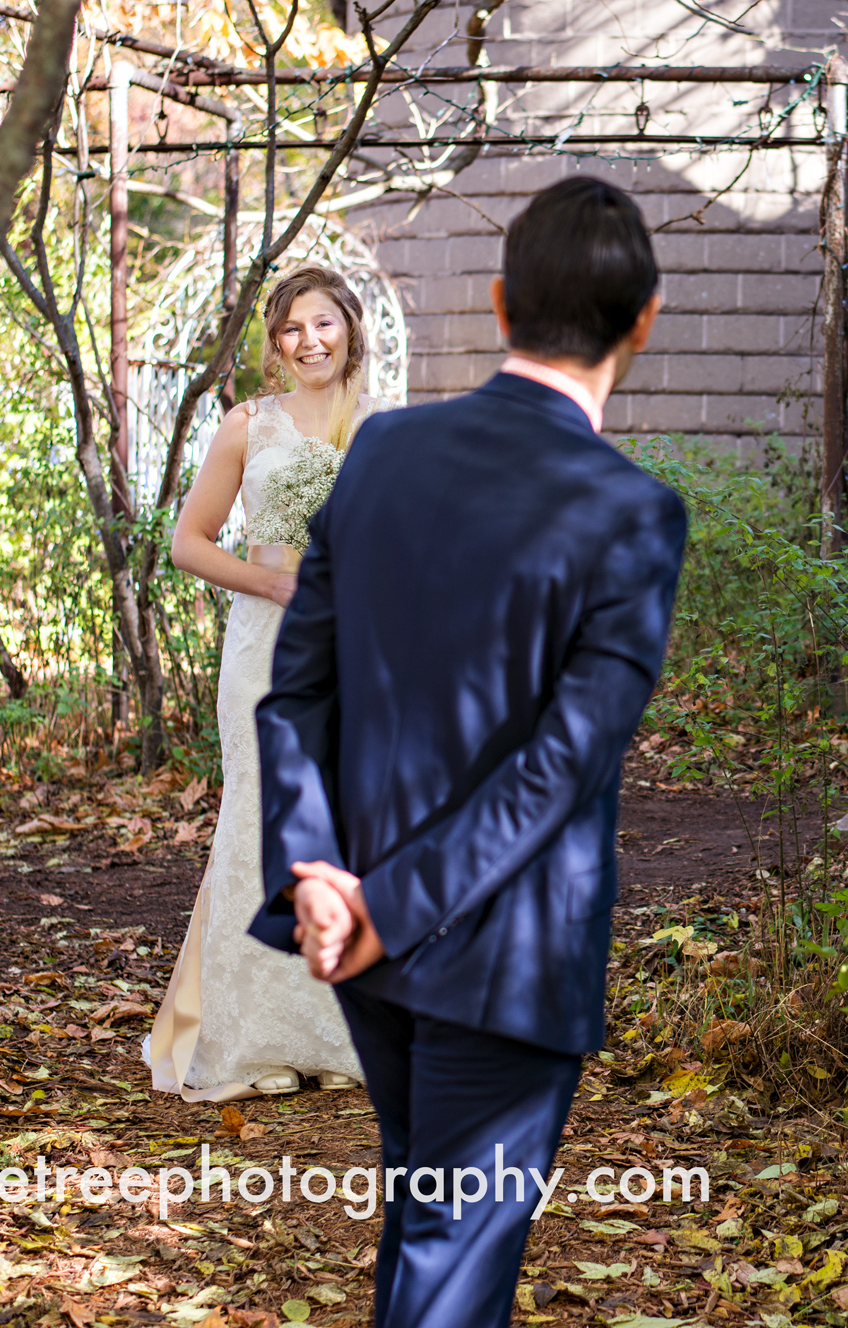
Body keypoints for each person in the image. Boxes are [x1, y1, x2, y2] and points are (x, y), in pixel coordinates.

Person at [251, 178, 687, 1326]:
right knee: (447, 1273)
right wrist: (386, 905)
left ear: (499, 304)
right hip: (499, 959)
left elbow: (295, 691)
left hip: (360, 939)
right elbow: (561, 765)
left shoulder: (383, 452)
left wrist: (316, 874)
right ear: (642, 318)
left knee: (426, 1229)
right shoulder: (633, 512)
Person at [144, 264, 374, 1099]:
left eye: (323, 323)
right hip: (267, 648)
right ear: (275, 344)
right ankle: (251, 1041)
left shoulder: (384, 426)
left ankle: (340, 1030)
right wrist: (275, 583)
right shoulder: (250, 424)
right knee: (261, 819)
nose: (309, 341)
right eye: (291, 329)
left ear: (348, 326)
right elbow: (189, 543)